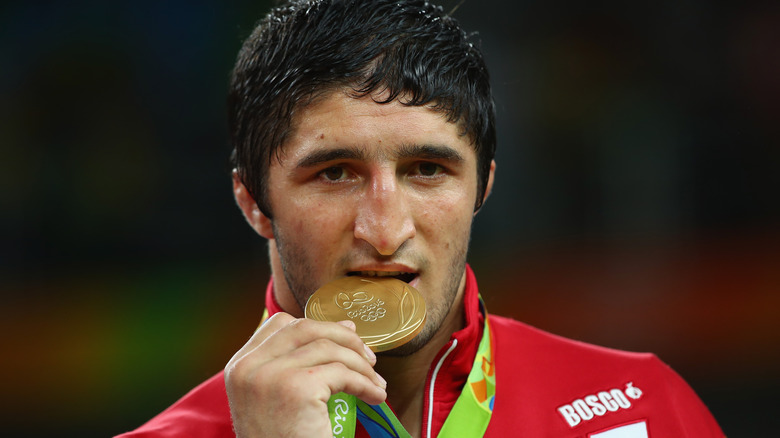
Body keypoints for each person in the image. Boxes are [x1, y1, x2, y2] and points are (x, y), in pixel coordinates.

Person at [116, 0, 724, 436]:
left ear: (483, 185)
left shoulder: (645, 409)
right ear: (253, 201)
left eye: (428, 169)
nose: (385, 232)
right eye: (334, 173)